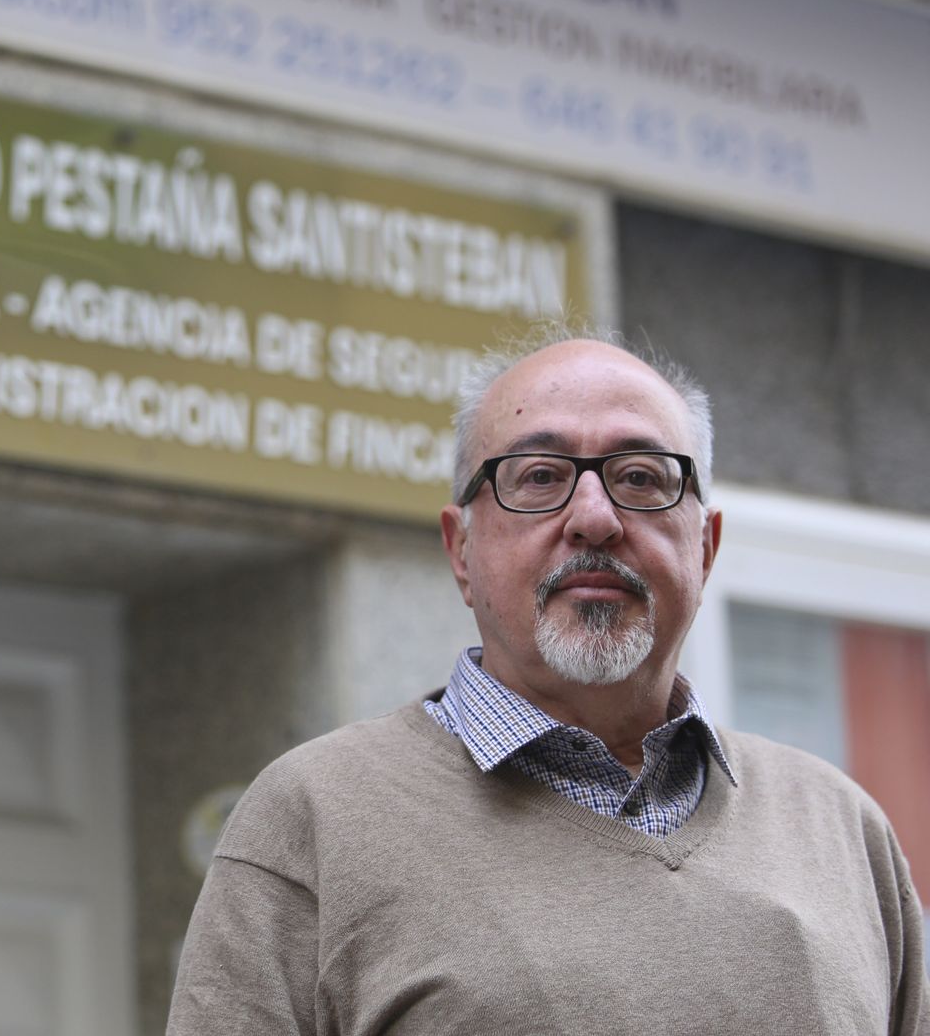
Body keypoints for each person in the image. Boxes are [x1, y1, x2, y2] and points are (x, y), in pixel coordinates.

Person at [166, 332, 927, 1035]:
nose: (593, 517)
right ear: (461, 548)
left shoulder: (843, 830)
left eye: (640, 476)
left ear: (706, 545)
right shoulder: (312, 821)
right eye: (538, 476)